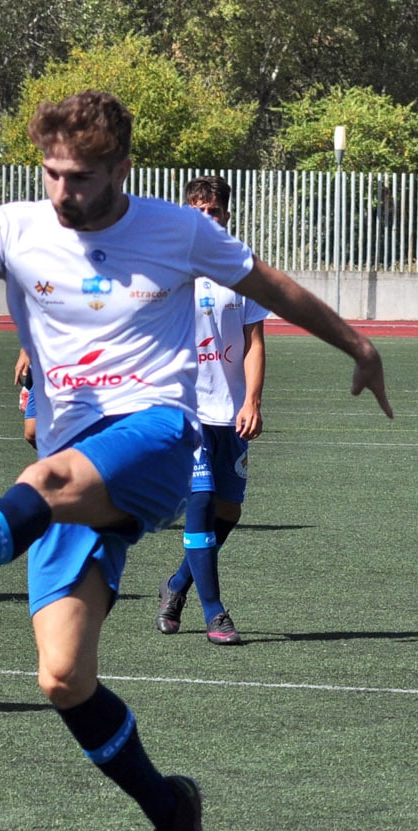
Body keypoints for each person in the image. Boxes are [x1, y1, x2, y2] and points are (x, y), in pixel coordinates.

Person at [0, 90, 392, 831]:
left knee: (44, 481)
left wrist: (360, 342)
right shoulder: (11, 228)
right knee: (62, 677)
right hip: (71, 462)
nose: (65, 191)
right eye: (53, 173)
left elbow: (271, 288)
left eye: (83, 176)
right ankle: (174, 814)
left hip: (158, 435)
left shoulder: (177, 228)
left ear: (121, 167)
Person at [155, 175, 268, 645]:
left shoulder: (242, 267)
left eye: (214, 211)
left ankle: (177, 584)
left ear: (226, 215)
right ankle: (215, 613)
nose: (205, 218)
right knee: (200, 503)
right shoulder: (167, 266)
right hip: (187, 408)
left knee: (229, 511)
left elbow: (255, 342)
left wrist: (252, 400)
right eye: (196, 210)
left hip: (231, 411)